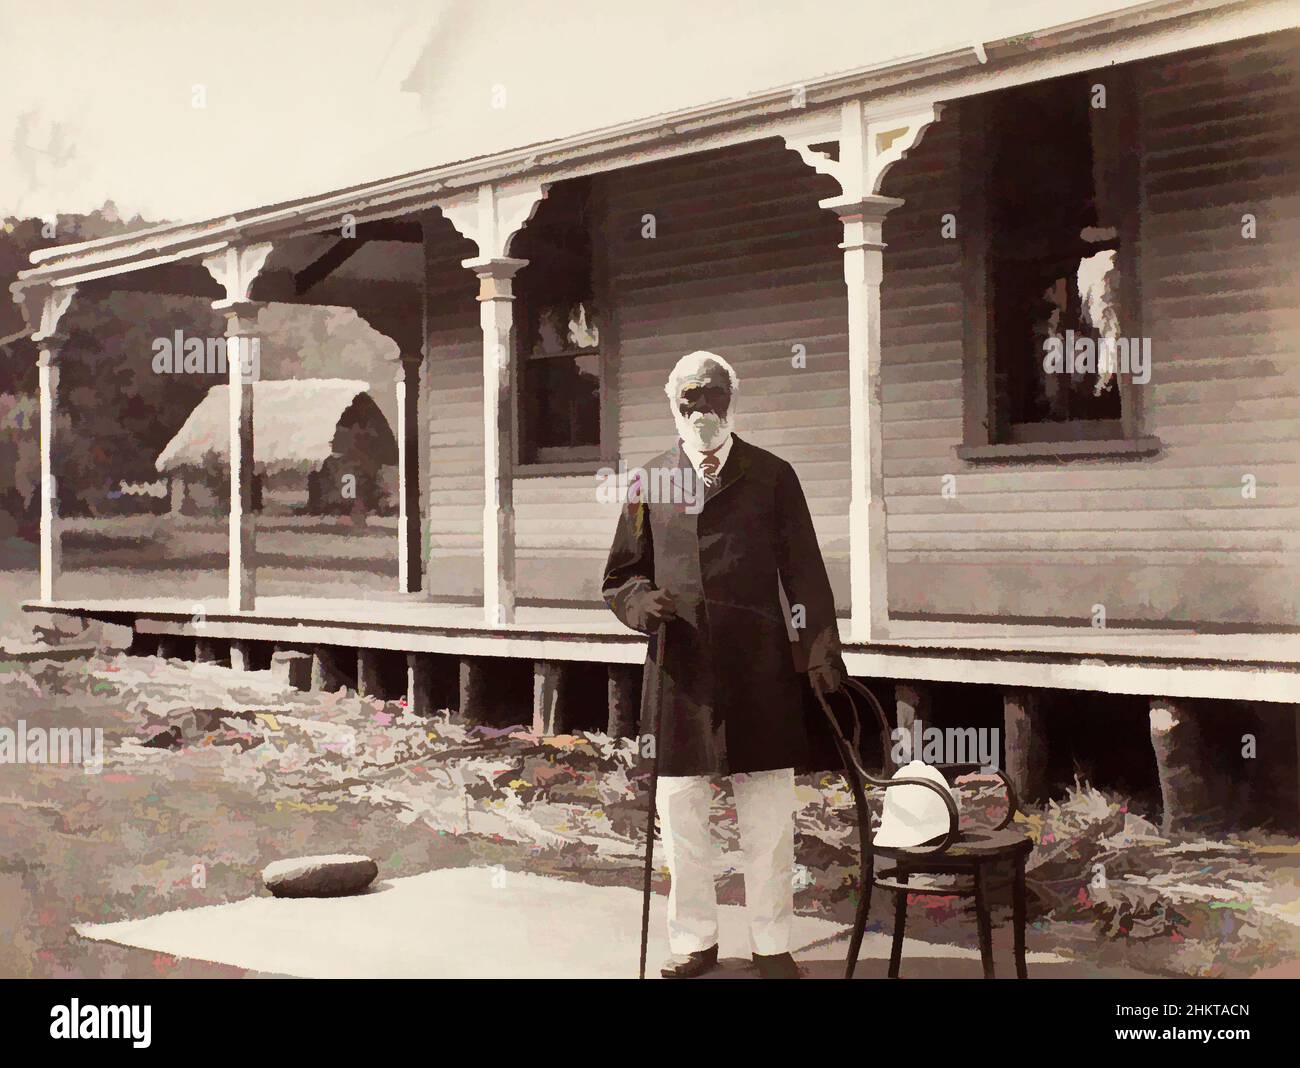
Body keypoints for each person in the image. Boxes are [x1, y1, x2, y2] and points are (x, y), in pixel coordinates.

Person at [602, 350, 845, 979]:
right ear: (673, 404)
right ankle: (695, 941)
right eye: (690, 398)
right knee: (682, 810)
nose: (701, 409)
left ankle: (771, 943)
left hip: (760, 668)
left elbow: (805, 575)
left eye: (713, 397)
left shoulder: (771, 475)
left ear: (730, 402)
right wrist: (640, 603)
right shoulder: (650, 481)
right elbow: (619, 576)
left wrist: (819, 652)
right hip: (682, 670)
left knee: (767, 814)